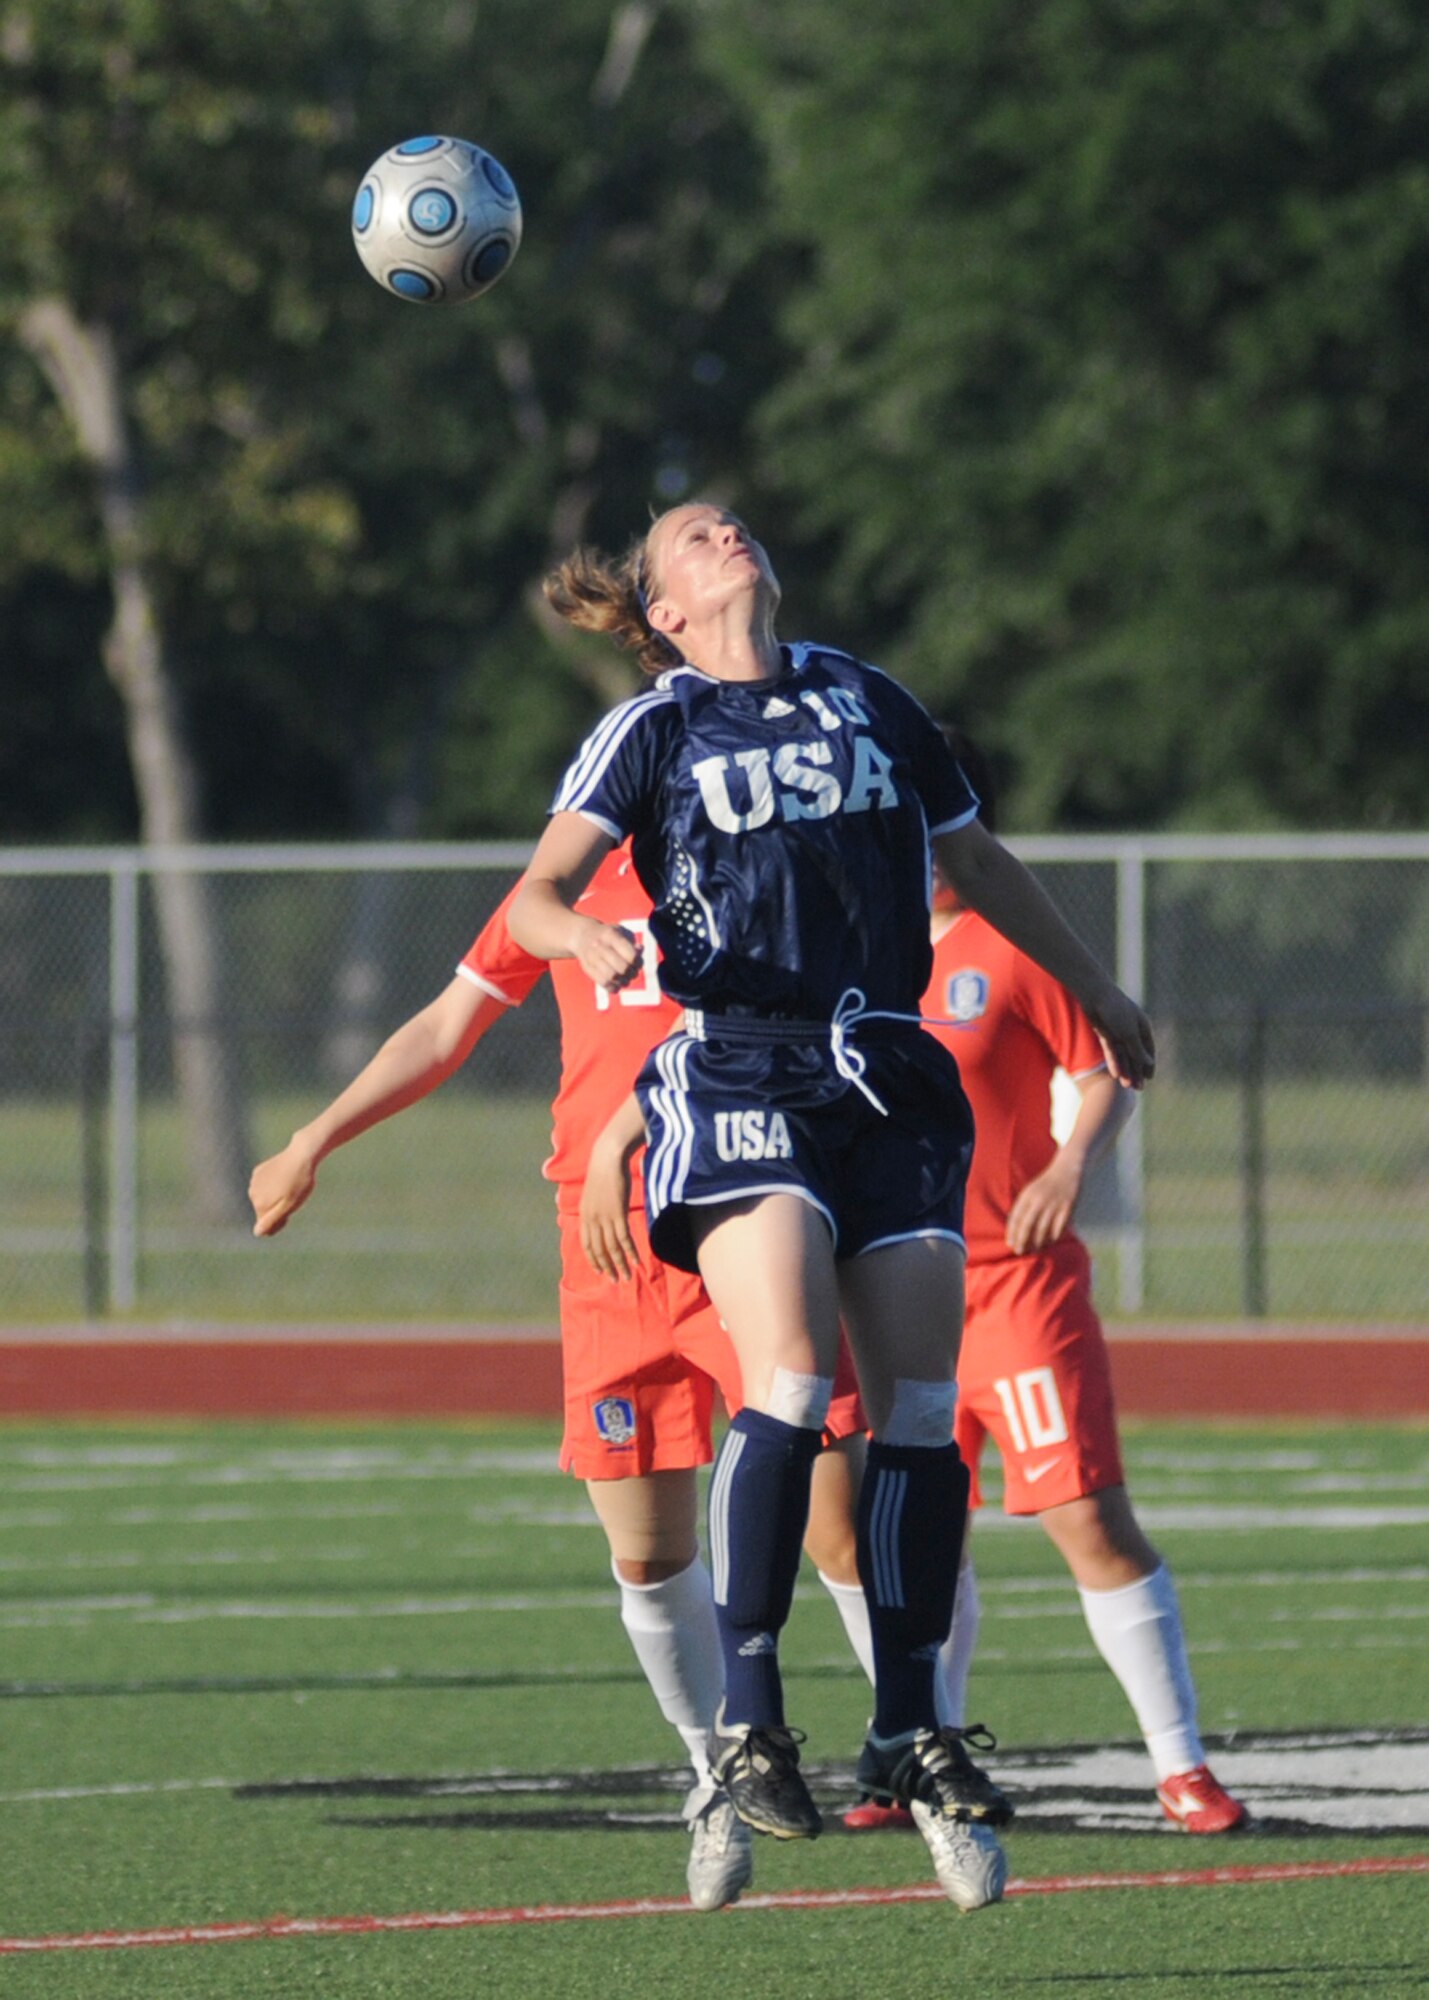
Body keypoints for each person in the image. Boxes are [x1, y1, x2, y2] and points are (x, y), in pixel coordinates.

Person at [507, 500, 1155, 1909]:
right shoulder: (656, 727)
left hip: (889, 1074)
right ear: (662, 610)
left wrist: (1094, 987)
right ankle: (746, 1722)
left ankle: (908, 1727)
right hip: (740, 1061)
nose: (722, 532)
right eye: (690, 536)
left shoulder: (867, 695)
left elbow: (974, 864)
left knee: (917, 1414)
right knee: (794, 1376)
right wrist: (585, 931)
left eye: (728, 522)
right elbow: (536, 897)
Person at [248, 845, 863, 1913]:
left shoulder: (764, 858)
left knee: (839, 1518)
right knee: (646, 1549)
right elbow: (446, 1027)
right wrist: (313, 1137)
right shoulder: (561, 882)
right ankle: (710, 1772)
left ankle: (923, 1754)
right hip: (601, 1244)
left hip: (735, 1206)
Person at [833, 730, 1244, 1837]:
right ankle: (922, 1749)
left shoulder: (1006, 944)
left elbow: (1103, 1061)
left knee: (1085, 1519)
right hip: (893, 1290)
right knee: (917, 1537)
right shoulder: (852, 949)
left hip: (1012, 1286)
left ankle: (1180, 1765)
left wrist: (1068, 1162)